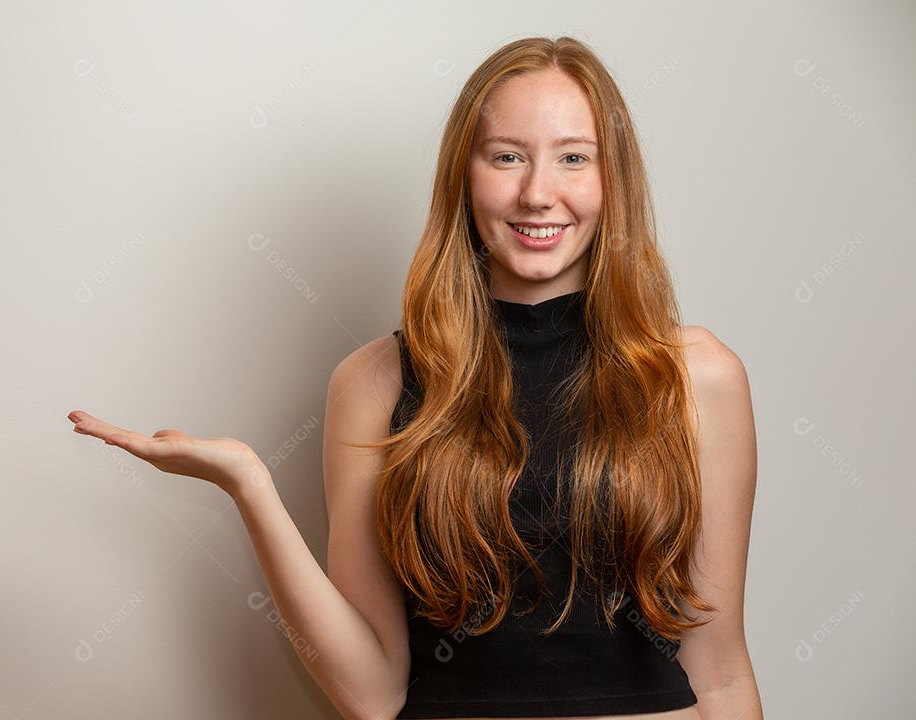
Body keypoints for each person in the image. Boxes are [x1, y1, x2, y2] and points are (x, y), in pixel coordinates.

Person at [67, 35, 762, 720]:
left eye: (573, 158)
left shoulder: (696, 377)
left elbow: (721, 674)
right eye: (507, 157)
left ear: (614, 182)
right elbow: (373, 694)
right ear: (465, 173)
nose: (537, 192)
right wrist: (248, 484)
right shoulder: (373, 383)